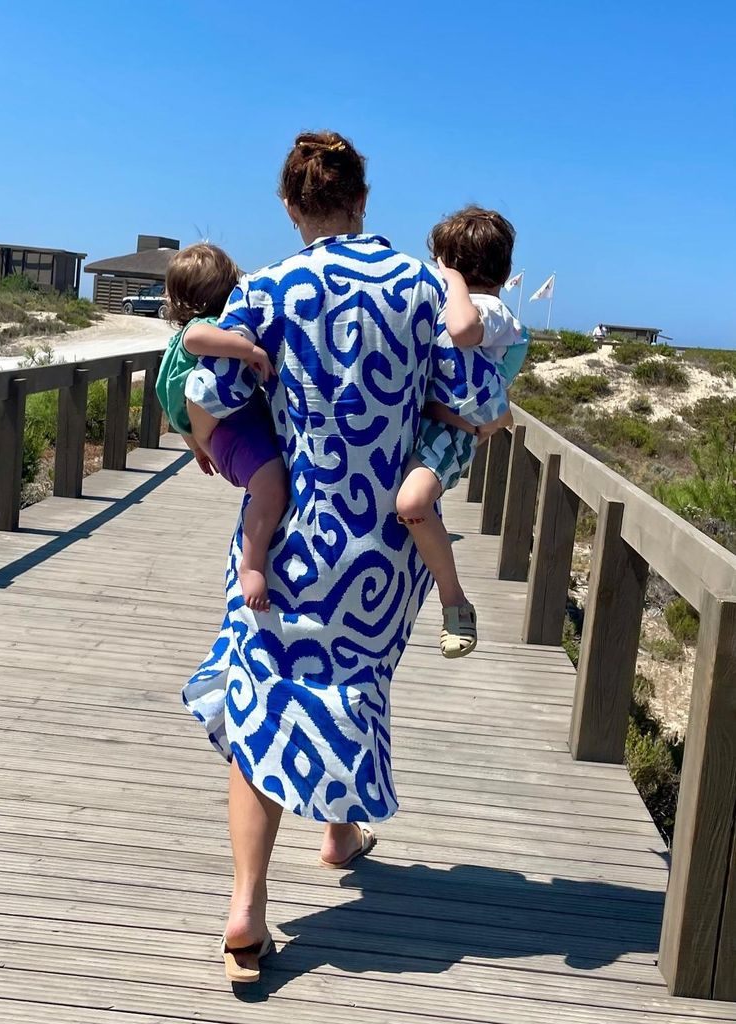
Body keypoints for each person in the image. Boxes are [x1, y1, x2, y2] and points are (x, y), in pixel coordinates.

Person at [181, 130, 509, 984]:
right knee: (350, 685)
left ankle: (246, 912)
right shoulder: (418, 284)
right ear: (364, 200)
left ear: (291, 208)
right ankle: (338, 832)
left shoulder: (270, 287)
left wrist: (219, 441)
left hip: (288, 531)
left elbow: (208, 391)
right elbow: (478, 398)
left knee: (263, 701)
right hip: (378, 548)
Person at [395, 207, 529, 659]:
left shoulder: (489, 310)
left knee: (412, 503)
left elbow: (464, 330)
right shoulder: (458, 303)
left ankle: (454, 602)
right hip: (435, 421)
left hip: (448, 433)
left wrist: (452, 282)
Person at [155, 243, 287, 611]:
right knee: (271, 488)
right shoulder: (205, 329)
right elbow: (194, 339)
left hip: (226, 427)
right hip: (232, 431)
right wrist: (251, 351)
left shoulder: (203, 335)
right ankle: (252, 565)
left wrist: (195, 446)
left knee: (273, 484)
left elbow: (170, 398)